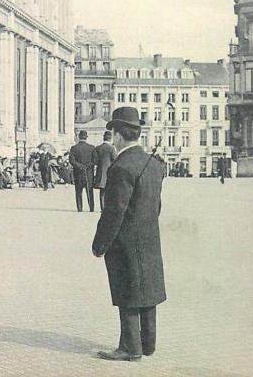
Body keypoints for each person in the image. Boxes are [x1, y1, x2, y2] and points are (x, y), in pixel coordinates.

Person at [93, 106, 166, 362]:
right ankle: (147, 344)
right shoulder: (154, 164)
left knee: (127, 292)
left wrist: (99, 244)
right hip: (149, 239)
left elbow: (114, 212)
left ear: (117, 136)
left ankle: (130, 348)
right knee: (147, 291)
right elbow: (156, 206)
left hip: (125, 242)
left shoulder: (120, 168)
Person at [70, 130, 96, 212]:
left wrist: (80, 166)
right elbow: (95, 160)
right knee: (90, 191)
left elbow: (72, 161)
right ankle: (91, 208)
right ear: (86, 138)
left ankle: (79, 208)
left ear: (79, 137)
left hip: (78, 173)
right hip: (89, 173)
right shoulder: (92, 148)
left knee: (78, 191)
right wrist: (87, 166)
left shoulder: (74, 148)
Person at [93, 131, 118, 211]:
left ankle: (102, 207)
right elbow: (115, 160)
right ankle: (108, 208)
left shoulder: (98, 148)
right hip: (110, 172)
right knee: (110, 191)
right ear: (110, 138)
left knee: (102, 192)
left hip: (100, 172)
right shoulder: (111, 148)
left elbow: (95, 161)